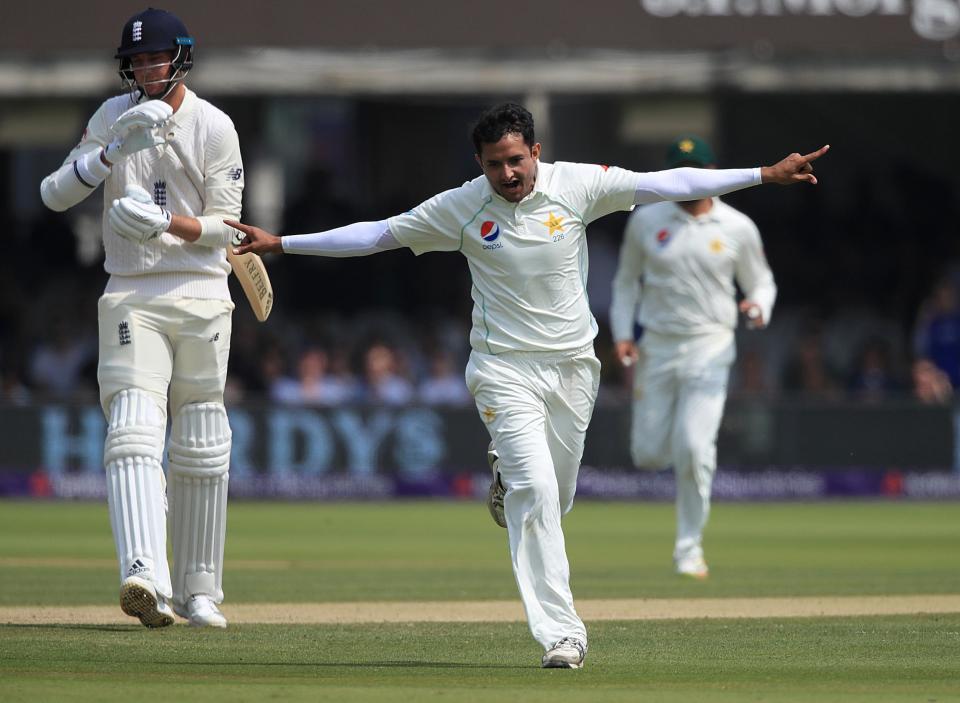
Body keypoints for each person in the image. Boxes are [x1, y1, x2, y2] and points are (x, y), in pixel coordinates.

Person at [228, 104, 827, 668]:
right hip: (502, 368)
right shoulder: (461, 207)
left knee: (556, 497)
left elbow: (669, 182)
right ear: (480, 164)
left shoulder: (578, 185)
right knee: (536, 490)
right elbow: (379, 234)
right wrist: (283, 242)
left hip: (573, 368)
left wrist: (761, 175)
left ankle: (507, 480)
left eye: (516, 160)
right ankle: (562, 633)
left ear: (535, 151)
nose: (507, 174)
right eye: (494, 164)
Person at [40, 8, 245, 629]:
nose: (144, 70)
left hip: (204, 291)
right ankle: (144, 576)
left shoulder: (214, 126)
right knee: (132, 429)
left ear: (181, 58)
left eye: (154, 58)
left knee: (203, 442)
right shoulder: (111, 115)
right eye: (135, 61)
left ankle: (200, 589)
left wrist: (166, 225)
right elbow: (54, 194)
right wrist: (109, 153)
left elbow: (228, 229)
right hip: (130, 291)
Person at [609, 135, 778, 580]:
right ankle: (677, 451)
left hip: (711, 345)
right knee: (647, 454)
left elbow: (761, 283)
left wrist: (758, 307)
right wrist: (624, 333)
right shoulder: (646, 221)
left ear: (710, 172)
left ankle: (689, 548)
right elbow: (626, 283)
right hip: (657, 347)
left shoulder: (737, 226)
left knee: (693, 447)